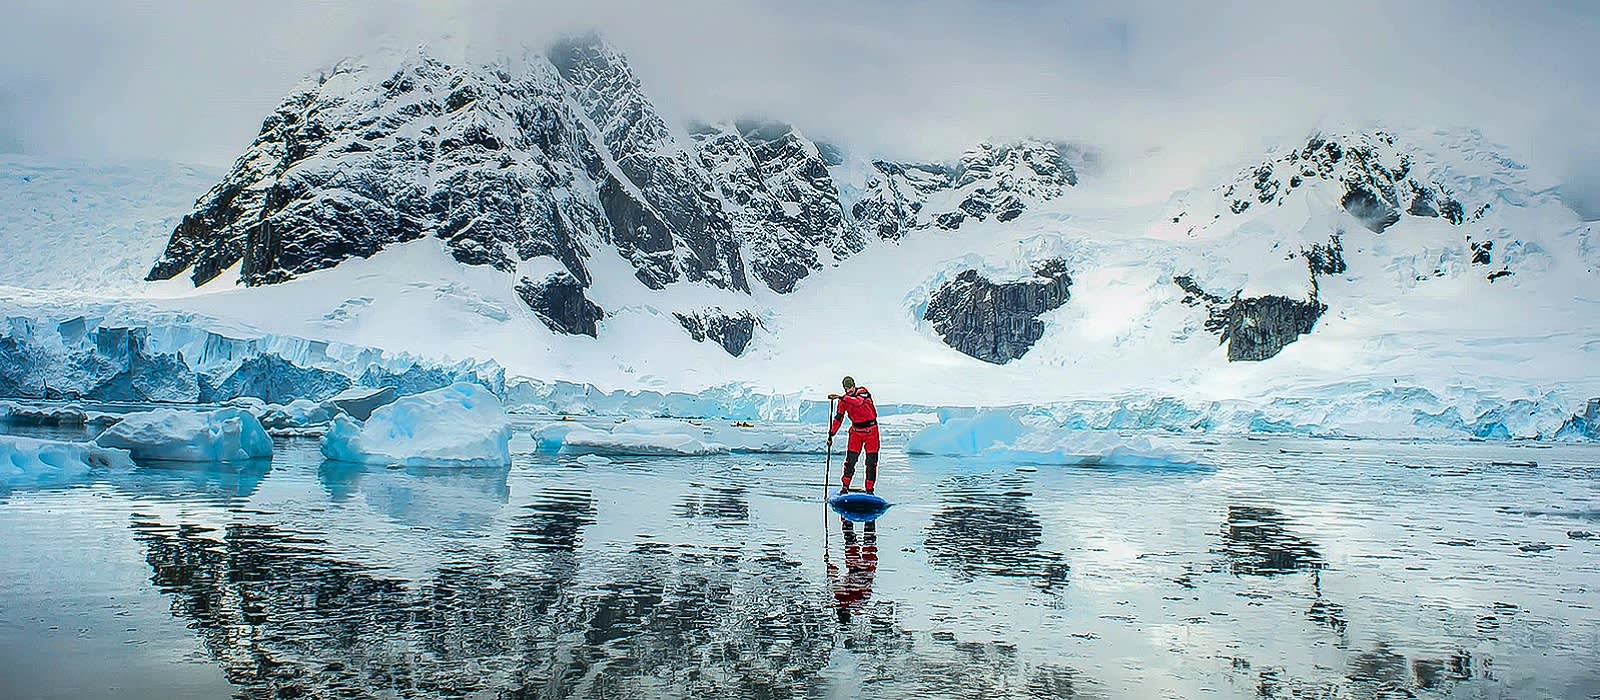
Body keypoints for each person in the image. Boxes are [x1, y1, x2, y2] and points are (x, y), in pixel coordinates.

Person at [827, 375, 879, 494]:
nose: (849, 390)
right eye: (846, 388)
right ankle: (845, 487)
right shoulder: (843, 401)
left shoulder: (863, 392)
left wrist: (841, 397)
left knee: (871, 462)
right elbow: (838, 419)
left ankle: (870, 490)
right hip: (856, 432)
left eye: (850, 387)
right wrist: (831, 434)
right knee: (850, 461)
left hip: (871, 431)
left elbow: (858, 403)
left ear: (854, 385)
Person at [827, 519, 877, 622]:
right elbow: (834, 576)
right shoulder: (840, 597)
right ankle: (847, 518)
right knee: (850, 541)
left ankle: (870, 518)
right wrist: (828, 564)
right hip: (855, 568)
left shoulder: (860, 604)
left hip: (867, 571)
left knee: (869, 542)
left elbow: (869, 589)